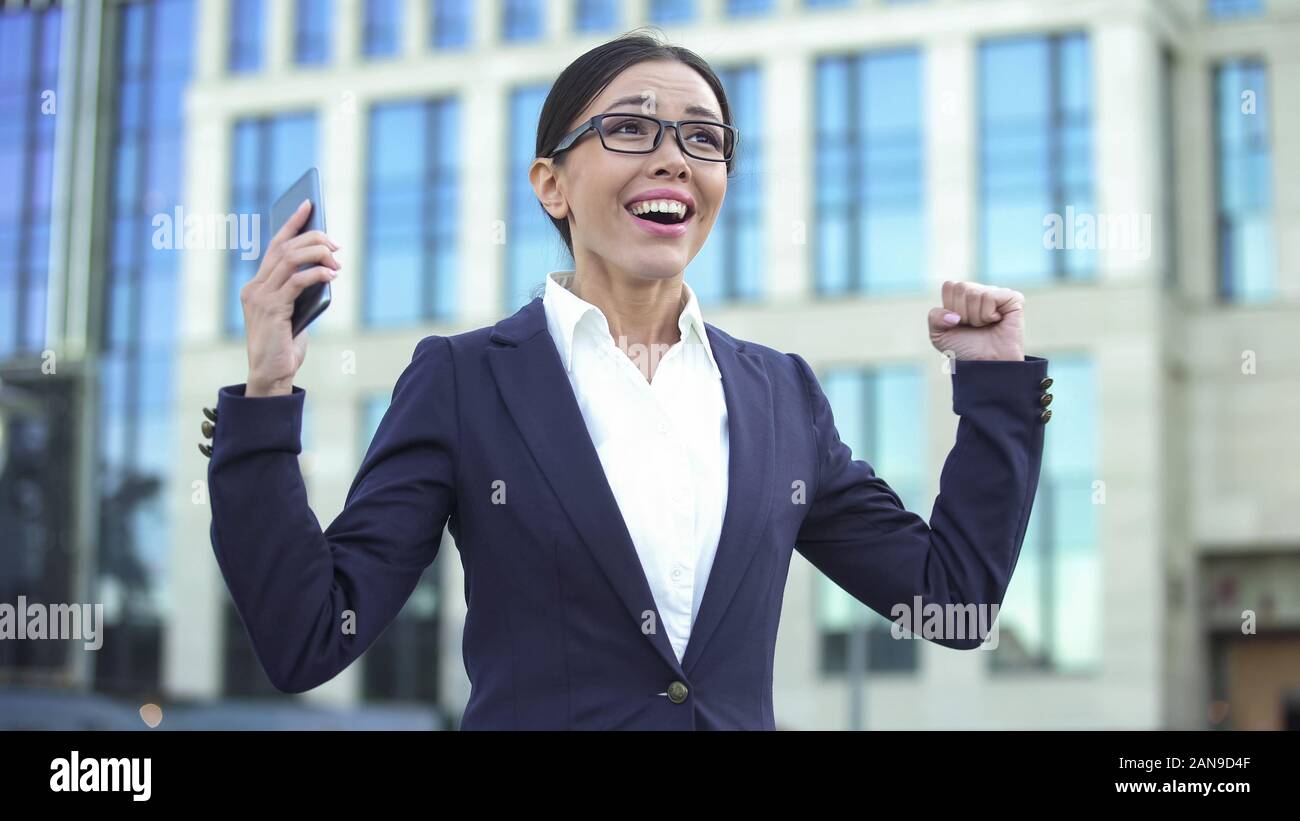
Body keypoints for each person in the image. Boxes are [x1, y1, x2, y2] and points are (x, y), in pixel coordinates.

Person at [201, 30, 1054, 730]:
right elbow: (307, 636)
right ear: (552, 184)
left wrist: (992, 390)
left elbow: (952, 602)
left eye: (703, 138)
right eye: (632, 129)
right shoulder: (463, 380)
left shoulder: (780, 395)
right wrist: (268, 394)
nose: (675, 158)